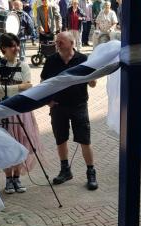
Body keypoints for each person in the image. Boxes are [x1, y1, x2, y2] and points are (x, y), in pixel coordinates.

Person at [41, 31, 98, 190]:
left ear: (72, 43)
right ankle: (65, 170)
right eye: (57, 41)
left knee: (84, 140)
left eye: (61, 41)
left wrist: (92, 77)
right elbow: (43, 82)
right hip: (58, 107)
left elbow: (93, 84)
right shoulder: (51, 60)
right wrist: (47, 101)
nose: (57, 44)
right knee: (61, 139)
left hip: (79, 105)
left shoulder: (83, 60)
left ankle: (91, 172)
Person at [0, 33, 42, 194]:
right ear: (3, 48)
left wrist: (9, 90)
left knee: (21, 143)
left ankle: (17, 177)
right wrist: (18, 87)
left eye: (17, 45)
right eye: (12, 46)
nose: (16, 49)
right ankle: (8, 179)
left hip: (21, 110)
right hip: (3, 110)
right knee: (5, 145)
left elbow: (29, 86)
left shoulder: (24, 66)